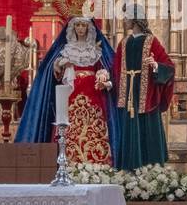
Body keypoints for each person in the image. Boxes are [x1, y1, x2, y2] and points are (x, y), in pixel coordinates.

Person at [15, 18, 121, 165]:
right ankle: (67, 163)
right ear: (73, 28)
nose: (80, 28)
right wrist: (59, 64)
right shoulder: (66, 49)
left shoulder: (96, 49)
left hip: (94, 95)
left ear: (89, 28)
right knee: (68, 127)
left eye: (83, 25)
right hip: (71, 93)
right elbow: (53, 74)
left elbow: (107, 69)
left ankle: (97, 164)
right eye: (77, 25)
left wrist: (104, 77)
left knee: (94, 127)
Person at [112, 8, 174, 169]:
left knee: (148, 129)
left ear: (135, 19)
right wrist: (110, 83)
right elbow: (116, 70)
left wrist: (156, 67)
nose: (124, 21)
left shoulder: (151, 41)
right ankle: (128, 168)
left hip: (147, 95)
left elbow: (169, 66)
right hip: (128, 95)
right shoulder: (123, 43)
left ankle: (151, 169)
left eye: (126, 17)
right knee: (129, 129)